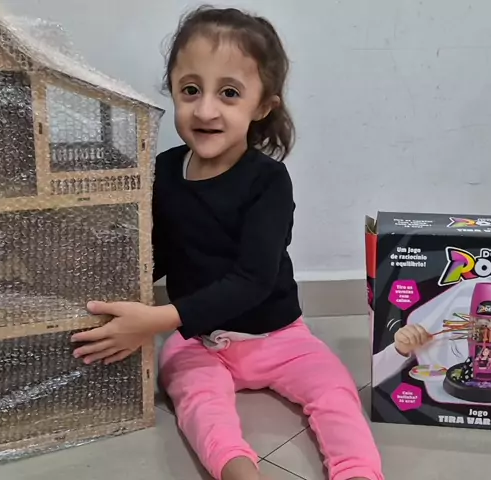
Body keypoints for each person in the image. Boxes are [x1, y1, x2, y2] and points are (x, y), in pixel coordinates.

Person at [70, 7, 383, 480]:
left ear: (262, 107)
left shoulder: (268, 181)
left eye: (229, 93)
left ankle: (357, 471)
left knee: (335, 393)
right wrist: (103, 276)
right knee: (198, 402)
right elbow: (157, 254)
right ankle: (239, 470)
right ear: (172, 90)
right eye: (190, 90)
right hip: (198, 342)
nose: (205, 110)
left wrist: (157, 320)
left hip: (280, 337)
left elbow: (253, 279)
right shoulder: (165, 170)